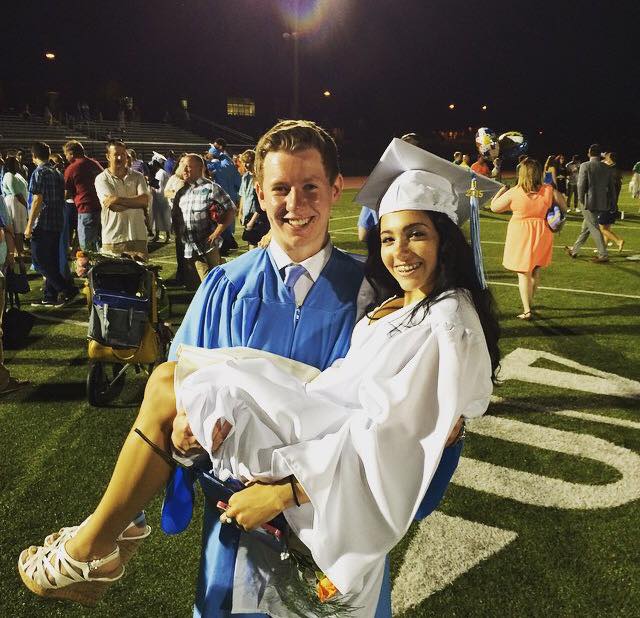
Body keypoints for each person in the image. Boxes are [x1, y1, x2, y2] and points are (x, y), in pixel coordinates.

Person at [17, 135, 500, 617]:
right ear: (260, 194)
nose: (296, 204)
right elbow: (176, 430)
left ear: (335, 189)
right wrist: (184, 441)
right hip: (237, 527)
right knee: (170, 384)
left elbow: (408, 443)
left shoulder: (379, 292)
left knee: (174, 381)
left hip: (326, 510)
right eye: (280, 188)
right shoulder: (224, 286)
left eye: (310, 187)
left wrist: (291, 491)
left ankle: (97, 544)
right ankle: (103, 540)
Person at [491, 158, 566, 319]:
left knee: (523, 273)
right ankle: (529, 302)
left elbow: (494, 207)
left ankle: (527, 309)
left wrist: (501, 190)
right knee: (535, 270)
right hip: (542, 232)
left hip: (521, 233)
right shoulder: (548, 190)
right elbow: (563, 206)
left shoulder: (515, 191)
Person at [25, 142, 78, 306]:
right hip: (57, 221)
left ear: (34, 156)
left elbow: (37, 200)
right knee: (52, 261)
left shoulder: (39, 172)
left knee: (39, 261)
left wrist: (29, 225)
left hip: (43, 222)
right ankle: (50, 295)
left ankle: (67, 289)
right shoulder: (57, 172)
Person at [175, 154, 235, 289]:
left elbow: (230, 209)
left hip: (209, 245)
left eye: (188, 167)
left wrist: (216, 233)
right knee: (202, 285)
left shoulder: (211, 188)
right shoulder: (182, 191)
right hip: (191, 246)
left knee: (215, 283)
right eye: (183, 166)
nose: (184, 170)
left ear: (200, 168)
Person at [94, 140, 151, 258]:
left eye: (123, 154)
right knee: (115, 270)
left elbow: (144, 201)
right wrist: (136, 202)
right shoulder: (102, 179)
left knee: (141, 270)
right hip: (114, 237)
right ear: (108, 156)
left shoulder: (138, 176)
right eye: (116, 154)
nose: (120, 158)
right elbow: (114, 207)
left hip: (138, 236)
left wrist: (116, 199)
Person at [564, 144, 614, 263]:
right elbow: (611, 187)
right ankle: (574, 250)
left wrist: (581, 199)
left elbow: (581, 184)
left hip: (588, 201)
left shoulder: (585, 165)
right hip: (602, 202)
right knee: (586, 227)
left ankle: (603, 254)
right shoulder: (606, 167)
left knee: (593, 227)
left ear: (589, 153)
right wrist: (612, 201)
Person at [63, 140, 103, 252]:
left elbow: (66, 193)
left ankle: (89, 263)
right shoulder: (94, 163)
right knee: (100, 245)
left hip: (86, 209)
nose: (66, 157)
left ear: (71, 153)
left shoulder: (72, 168)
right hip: (101, 207)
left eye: (66, 154)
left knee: (87, 248)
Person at [1, 156, 29, 272]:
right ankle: (17, 258)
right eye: (16, 163)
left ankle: (18, 257)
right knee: (16, 232)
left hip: (18, 205)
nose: (19, 165)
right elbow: (16, 193)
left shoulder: (17, 175)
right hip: (14, 204)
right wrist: (26, 205)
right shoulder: (8, 175)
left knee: (19, 232)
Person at [238, 150, 269, 249]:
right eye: (244, 162)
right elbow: (243, 195)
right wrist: (240, 212)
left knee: (260, 246)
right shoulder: (245, 177)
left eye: (248, 162)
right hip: (248, 215)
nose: (246, 165)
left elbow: (262, 202)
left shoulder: (260, 177)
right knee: (250, 243)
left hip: (259, 217)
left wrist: (252, 221)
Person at [599, 152, 624, 252]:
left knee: (602, 228)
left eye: (607, 157)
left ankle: (618, 241)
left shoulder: (610, 171)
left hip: (606, 203)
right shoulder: (616, 170)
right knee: (607, 227)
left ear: (610, 159)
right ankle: (604, 248)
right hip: (613, 204)